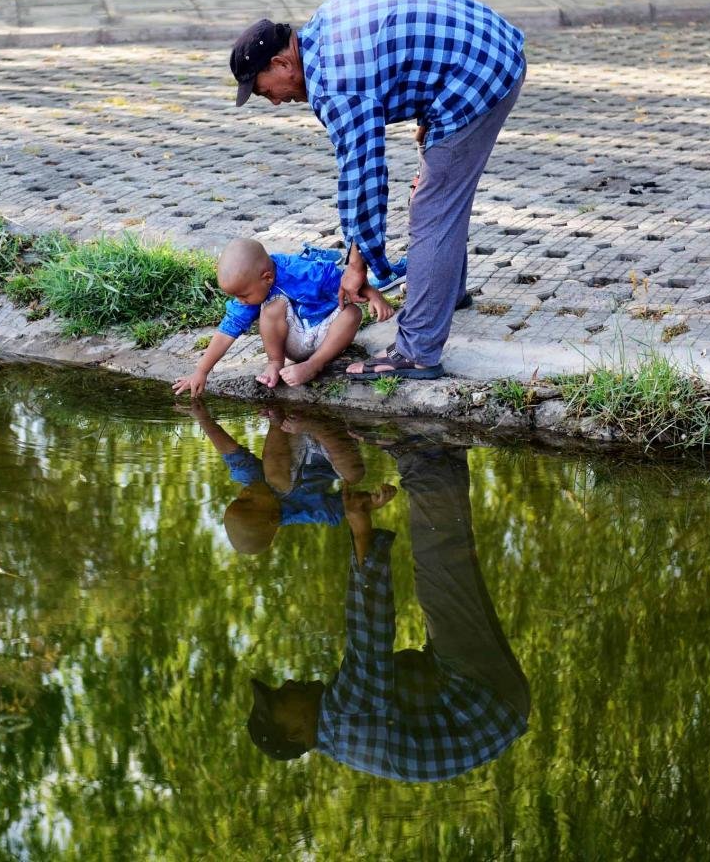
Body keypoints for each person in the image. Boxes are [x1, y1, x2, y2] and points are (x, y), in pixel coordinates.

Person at [229, 0, 527, 380]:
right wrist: (431, 114)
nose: (274, 102)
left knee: (433, 210)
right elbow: (404, 59)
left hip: (481, 71)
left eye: (267, 90)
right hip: (480, 51)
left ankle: (417, 351)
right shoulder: (318, 36)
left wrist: (357, 265)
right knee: (439, 192)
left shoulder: (335, 86)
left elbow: (365, 175)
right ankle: (445, 295)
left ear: (283, 62)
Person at [245, 440, 531, 782]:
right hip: (481, 703)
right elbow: (370, 632)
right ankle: (426, 453)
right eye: (280, 698)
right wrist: (360, 527)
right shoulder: (343, 716)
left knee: (448, 580)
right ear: (295, 732)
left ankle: (443, 454)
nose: (288, 683)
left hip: (495, 714)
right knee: (439, 569)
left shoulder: (340, 737)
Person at [172, 237, 393, 396]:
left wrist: (373, 295)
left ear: (267, 277)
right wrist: (201, 372)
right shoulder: (254, 289)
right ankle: (275, 362)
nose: (241, 301)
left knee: (352, 313)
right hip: (294, 341)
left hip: (328, 336)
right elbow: (227, 330)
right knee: (272, 307)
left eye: (243, 296)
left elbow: (345, 281)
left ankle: (314, 365)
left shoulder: (303, 272)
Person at [184, 399, 394, 554]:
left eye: (238, 498)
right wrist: (372, 503)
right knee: (354, 476)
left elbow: (230, 452)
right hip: (330, 443)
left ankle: (277, 419)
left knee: (274, 478)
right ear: (275, 516)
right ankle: (317, 425)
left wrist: (203, 419)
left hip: (292, 428)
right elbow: (348, 508)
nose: (244, 492)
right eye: (248, 501)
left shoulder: (254, 481)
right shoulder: (303, 511)